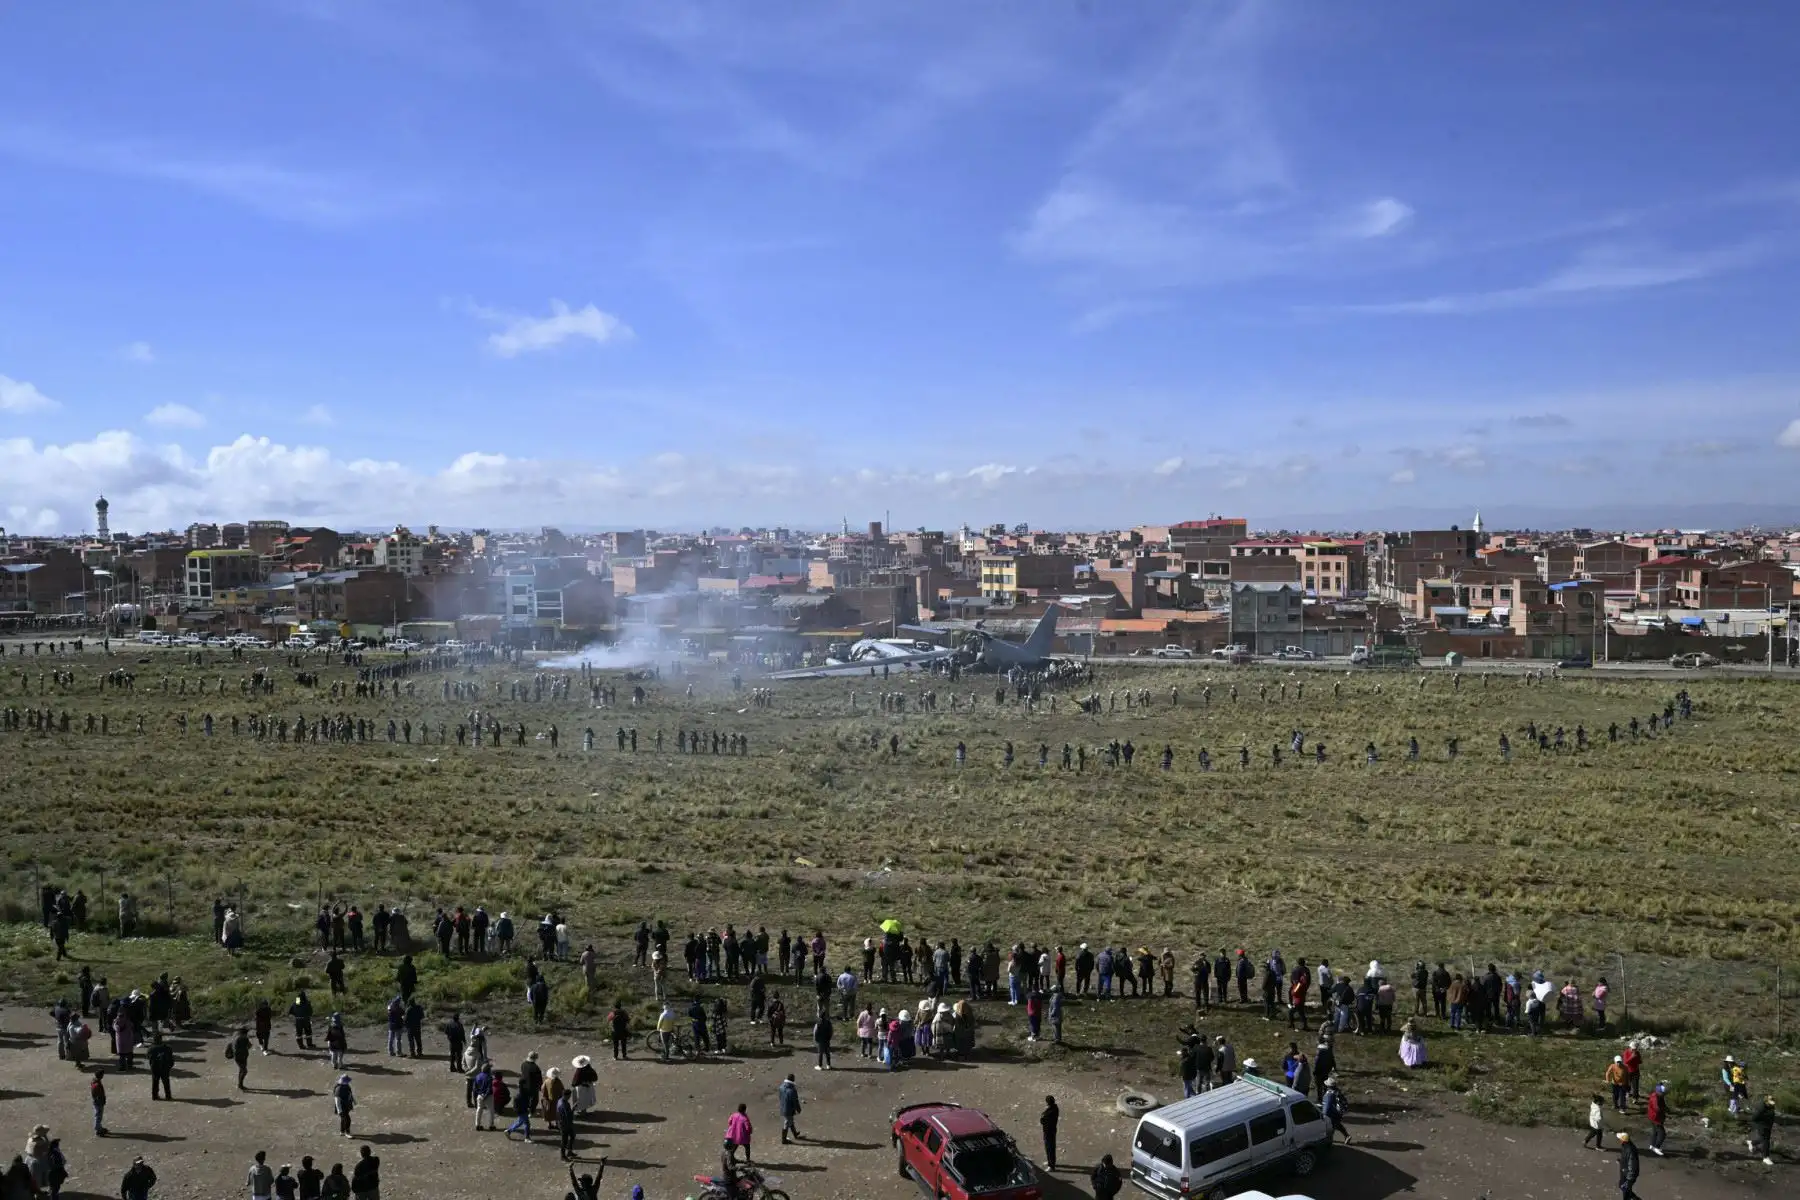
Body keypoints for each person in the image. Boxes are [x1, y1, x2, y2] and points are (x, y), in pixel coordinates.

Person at [1322, 1076, 1352, 1143]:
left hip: (1332, 1114)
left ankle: (1328, 1142)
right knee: (1337, 1124)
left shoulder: (1329, 1095)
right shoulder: (1337, 1091)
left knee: (1330, 1128)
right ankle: (1347, 1136)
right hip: (1339, 1113)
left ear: (1328, 1086)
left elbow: (1327, 1108)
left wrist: (1324, 1115)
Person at [1749, 1096, 1776, 1166]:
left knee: (1763, 1139)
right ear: (1766, 1101)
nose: (1772, 1104)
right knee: (1766, 1141)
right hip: (1762, 1126)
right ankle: (1766, 1157)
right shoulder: (1761, 1108)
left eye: (1773, 1102)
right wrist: (1762, 1122)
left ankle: (1751, 1142)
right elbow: (1754, 1118)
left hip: (1768, 1126)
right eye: (1770, 1102)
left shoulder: (1771, 1106)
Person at [148, 1032, 174, 1100]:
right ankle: (168, 1096)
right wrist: (170, 1066)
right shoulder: (167, 1048)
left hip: (155, 1067)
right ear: (161, 1039)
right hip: (165, 1067)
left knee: (155, 1081)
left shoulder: (151, 1049)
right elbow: (171, 1059)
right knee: (166, 1082)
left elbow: (149, 1058)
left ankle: (154, 1095)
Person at [778, 1074, 802, 1144]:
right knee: (787, 1122)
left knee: (790, 1120)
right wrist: (798, 1109)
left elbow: (780, 1097)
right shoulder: (792, 1090)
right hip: (789, 1109)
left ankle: (795, 1134)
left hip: (783, 1107)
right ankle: (784, 1139)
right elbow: (795, 1101)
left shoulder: (781, 1087)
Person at [1617, 1131, 1641, 1200]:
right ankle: (1634, 1197)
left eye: (1620, 1139)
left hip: (1629, 1175)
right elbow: (1626, 1158)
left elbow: (1633, 1165)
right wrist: (1621, 1161)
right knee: (1622, 1186)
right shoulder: (1625, 1146)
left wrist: (1630, 1177)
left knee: (1625, 1191)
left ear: (1623, 1140)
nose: (1619, 1140)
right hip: (1624, 1171)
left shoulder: (1630, 1149)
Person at [1039, 1095, 1059, 1171]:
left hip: (1049, 1132)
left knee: (1049, 1148)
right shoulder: (1055, 1108)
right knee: (1050, 1147)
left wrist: (1043, 1116)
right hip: (1052, 1131)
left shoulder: (1050, 1111)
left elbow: (1042, 1120)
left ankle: (1051, 1165)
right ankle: (1050, 1162)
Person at [90, 1069, 107, 1136]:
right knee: (98, 1115)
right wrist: (100, 1100)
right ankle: (98, 1129)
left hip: (97, 1101)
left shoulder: (94, 1082)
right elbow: (95, 1093)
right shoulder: (97, 1084)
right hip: (98, 1102)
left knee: (98, 1115)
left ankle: (99, 1127)